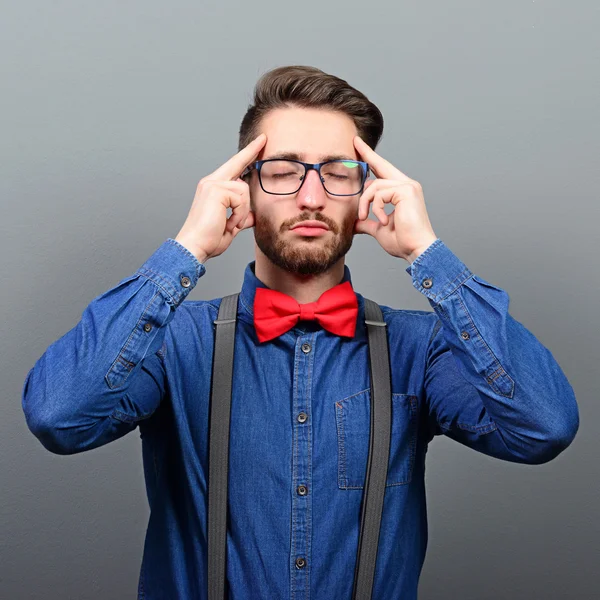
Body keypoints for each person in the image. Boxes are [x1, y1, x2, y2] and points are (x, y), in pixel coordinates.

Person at [22, 65, 579, 599]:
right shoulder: (170, 339)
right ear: (243, 188)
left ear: (367, 191)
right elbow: (60, 416)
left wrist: (427, 253)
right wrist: (184, 251)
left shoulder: (423, 348)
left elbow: (543, 428)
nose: (311, 197)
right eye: (283, 171)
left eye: (337, 173)